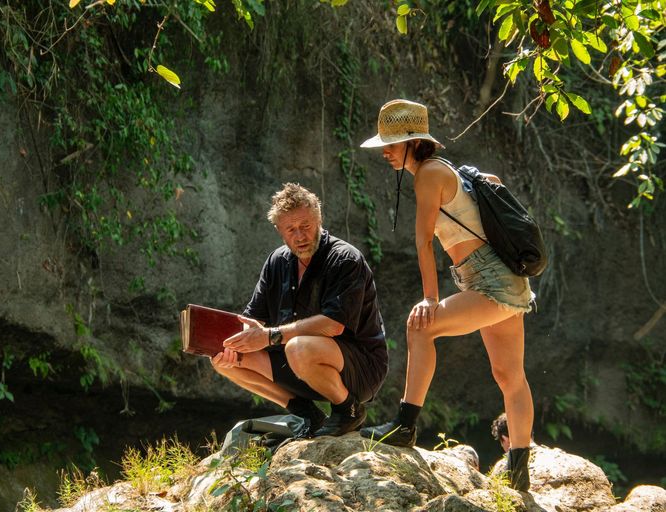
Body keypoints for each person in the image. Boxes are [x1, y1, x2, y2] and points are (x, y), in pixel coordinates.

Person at [358, 99, 535, 491]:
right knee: (509, 375)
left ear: (412, 142)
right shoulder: (445, 170)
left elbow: (422, 242)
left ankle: (404, 426)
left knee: (420, 326)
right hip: (496, 276)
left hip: (490, 279)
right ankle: (519, 474)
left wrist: (430, 298)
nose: (385, 152)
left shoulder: (428, 174)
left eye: (391, 144)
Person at [211, 183, 388, 438]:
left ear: (319, 220)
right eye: (291, 229)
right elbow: (252, 320)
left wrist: (271, 335)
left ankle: (348, 409)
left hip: (361, 369)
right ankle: (307, 413)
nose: (300, 236)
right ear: (280, 231)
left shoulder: (345, 258)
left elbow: (333, 325)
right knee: (224, 357)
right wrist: (226, 343)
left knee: (297, 347)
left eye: (305, 226)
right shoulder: (276, 262)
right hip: (300, 365)